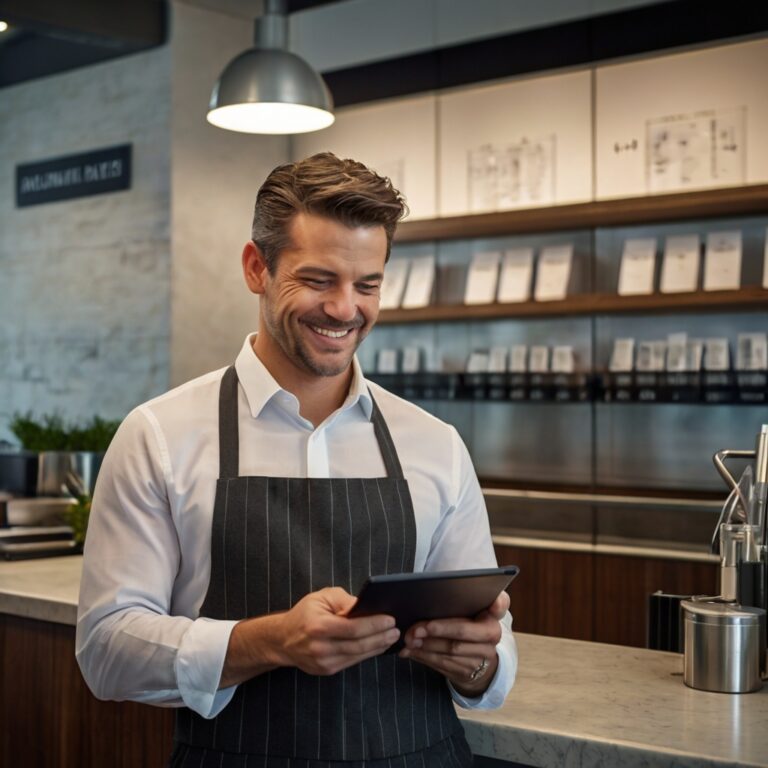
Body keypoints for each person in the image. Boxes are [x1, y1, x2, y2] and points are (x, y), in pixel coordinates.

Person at [76, 152, 517, 767]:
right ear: (257, 267)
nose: (345, 309)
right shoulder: (159, 436)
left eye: (367, 285)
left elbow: (493, 665)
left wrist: (476, 658)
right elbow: (107, 651)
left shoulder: (435, 443)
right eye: (318, 280)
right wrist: (273, 641)